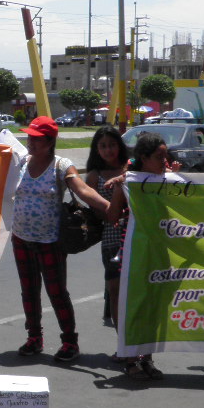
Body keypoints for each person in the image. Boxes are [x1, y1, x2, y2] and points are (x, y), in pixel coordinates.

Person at [11, 116, 110, 363]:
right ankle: (34, 338)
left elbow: (83, 191)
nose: (30, 142)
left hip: (50, 241)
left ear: (50, 142)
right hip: (21, 237)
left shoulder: (61, 165)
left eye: (36, 139)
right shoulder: (22, 161)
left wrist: (111, 209)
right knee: (29, 291)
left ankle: (69, 341)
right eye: (29, 137)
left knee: (56, 292)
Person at [106, 131, 185, 378]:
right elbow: (112, 215)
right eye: (159, 157)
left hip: (160, 253)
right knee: (135, 304)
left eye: (166, 156)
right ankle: (131, 360)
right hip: (134, 254)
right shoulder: (129, 182)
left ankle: (147, 358)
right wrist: (121, 192)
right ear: (144, 158)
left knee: (154, 305)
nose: (164, 162)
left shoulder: (168, 181)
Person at [83, 125, 127, 328]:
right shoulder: (94, 176)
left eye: (112, 145)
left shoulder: (131, 168)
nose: (108, 150)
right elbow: (100, 214)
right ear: (97, 149)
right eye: (103, 146)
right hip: (111, 239)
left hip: (137, 236)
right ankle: (121, 338)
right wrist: (116, 210)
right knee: (115, 289)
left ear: (119, 145)